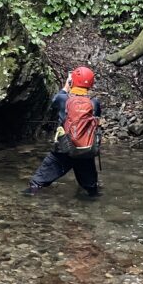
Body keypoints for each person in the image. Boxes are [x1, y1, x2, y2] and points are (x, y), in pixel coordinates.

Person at [25, 65, 102, 198]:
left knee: (36, 182)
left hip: (63, 150)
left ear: (73, 81)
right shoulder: (94, 103)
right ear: (90, 84)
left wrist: (66, 87)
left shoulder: (63, 99)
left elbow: (54, 100)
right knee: (91, 188)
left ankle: (27, 202)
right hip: (86, 151)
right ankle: (92, 206)